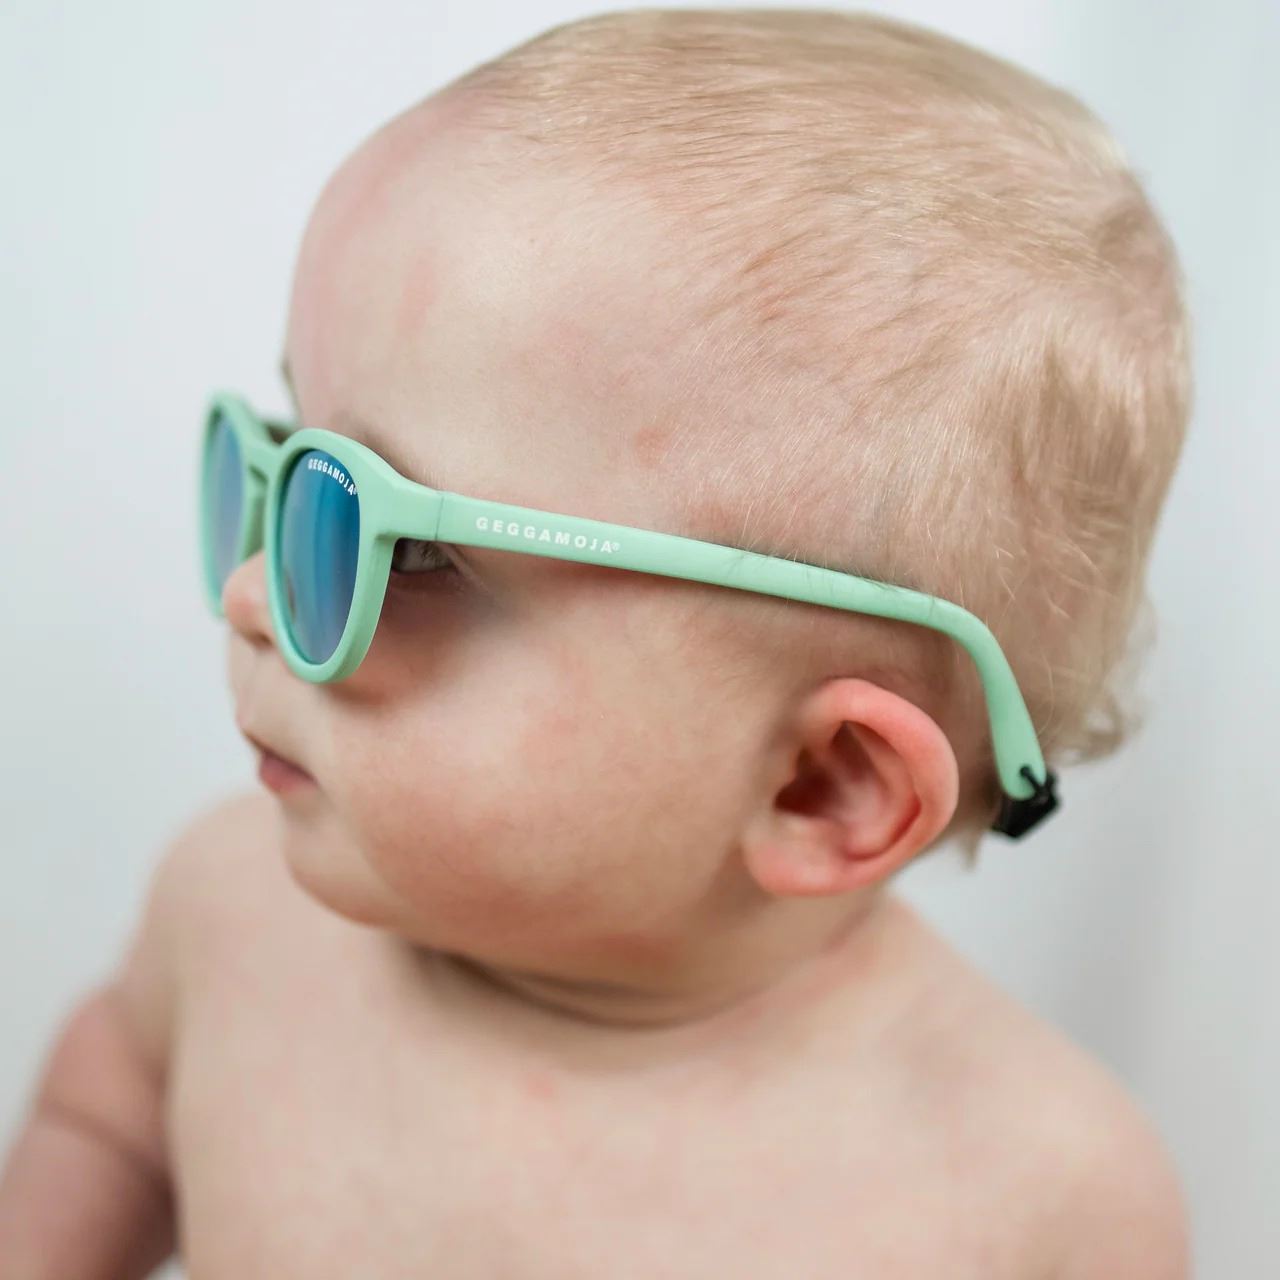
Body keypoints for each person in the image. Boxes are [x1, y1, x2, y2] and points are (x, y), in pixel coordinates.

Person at [0, 8, 1192, 1276]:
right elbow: (111, 1105)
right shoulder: (232, 907)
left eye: (406, 551)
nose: (251, 589)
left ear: (819, 784)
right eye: (287, 456)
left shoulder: (1033, 1201)